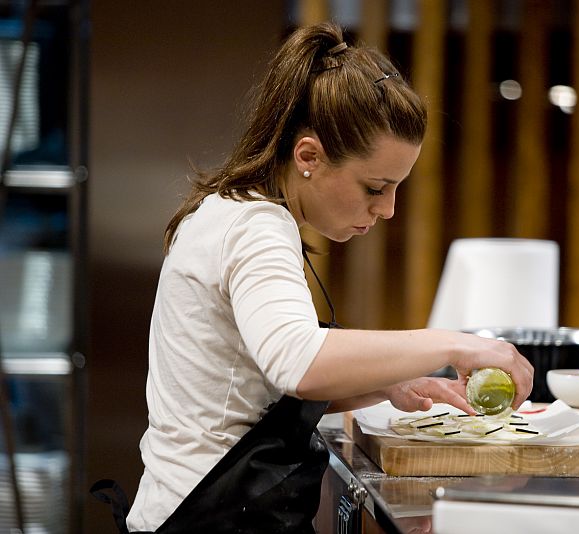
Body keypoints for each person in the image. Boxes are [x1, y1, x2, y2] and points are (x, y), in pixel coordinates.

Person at [121, 21, 534, 533]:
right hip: (210, 518)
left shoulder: (230, 211)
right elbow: (298, 363)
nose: (387, 209)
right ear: (309, 156)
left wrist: (389, 381)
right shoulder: (255, 225)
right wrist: (456, 344)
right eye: (376, 187)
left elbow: (251, 385)